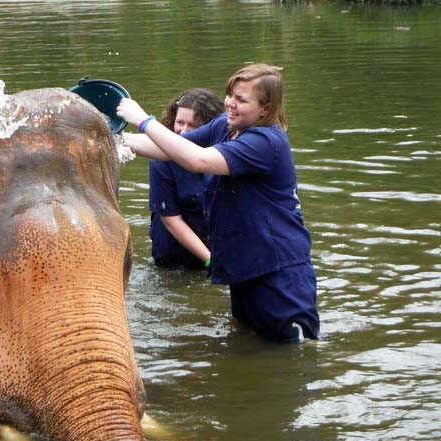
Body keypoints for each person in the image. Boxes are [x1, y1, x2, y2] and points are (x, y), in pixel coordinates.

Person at [118, 64, 319, 343]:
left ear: (265, 109)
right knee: (247, 347)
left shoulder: (266, 142)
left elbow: (197, 160)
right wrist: (112, 139)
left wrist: (143, 120)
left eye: (241, 99)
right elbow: (171, 147)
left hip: (278, 273)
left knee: (287, 358)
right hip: (244, 268)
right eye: (230, 95)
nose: (231, 104)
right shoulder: (225, 126)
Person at [149, 88, 223, 269]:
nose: (184, 132)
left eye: (193, 126)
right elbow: (171, 220)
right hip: (174, 256)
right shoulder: (162, 159)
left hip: (216, 249)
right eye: (180, 123)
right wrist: (211, 261)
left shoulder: (224, 154)